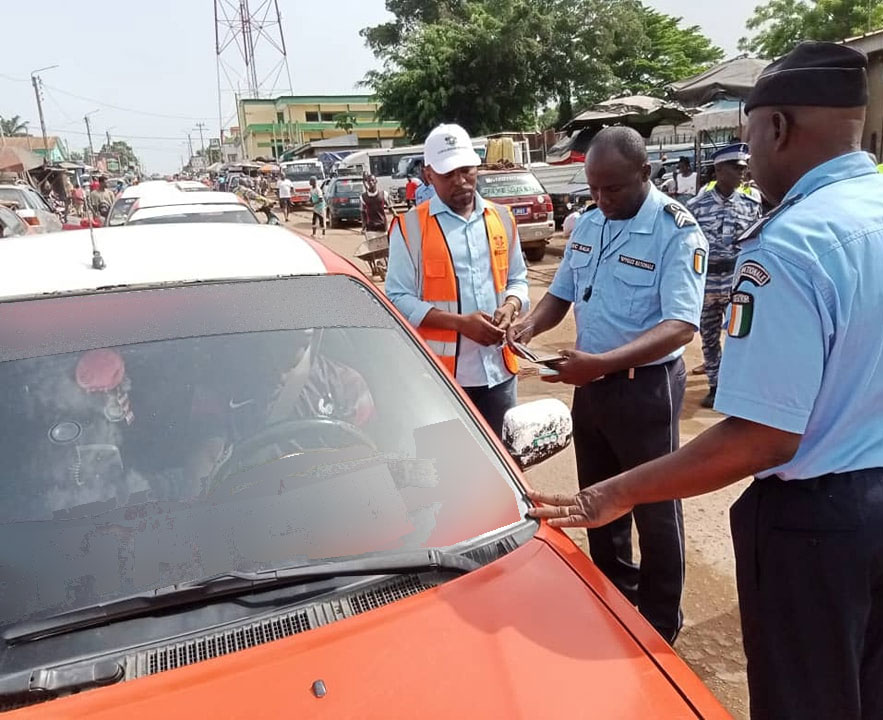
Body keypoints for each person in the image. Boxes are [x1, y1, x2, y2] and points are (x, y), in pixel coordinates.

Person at [526, 42, 883, 720]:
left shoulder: (789, 243)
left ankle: (656, 618)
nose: (745, 154)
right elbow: (565, 293)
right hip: (867, 500)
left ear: (774, 127)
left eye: (746, 135)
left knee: (807, 697)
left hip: (817, 526)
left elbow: (762, 437)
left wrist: (617, 491)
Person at [507, 126, 707, 643]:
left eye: (613, 188)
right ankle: (615, 596)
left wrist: (602, 364)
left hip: (646, 388)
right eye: (593, 189)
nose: (600, 199)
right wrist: (530, 327)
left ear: (645, 173)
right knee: (598, 498)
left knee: (655, 505)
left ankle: (661, 621)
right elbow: (562, 293)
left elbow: (680, 326)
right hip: (591, 386)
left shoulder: (676, 231)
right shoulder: (591, 224)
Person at [386, 123, 529, 437]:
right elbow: (396, 298)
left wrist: (511, 305)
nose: (461, 181)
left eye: (466, 170)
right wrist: (459, 323)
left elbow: (518, 279)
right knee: (448, 466)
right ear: (428, 175)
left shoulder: (503, 219)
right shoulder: (409, 228)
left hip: (499, 374)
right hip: (439, 379)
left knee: (505, 464)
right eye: (448, 174)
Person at [686, 143, 762, 408]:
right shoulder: (696, 206)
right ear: (719, 169)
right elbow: (688, 247)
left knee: (739, 334)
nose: (742, 173)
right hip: (707, 281)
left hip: (737, 281)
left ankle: (735, 386)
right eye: (736, 168)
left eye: (743, 168)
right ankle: (715, 385)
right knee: (708, 335)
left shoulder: (752, 204)